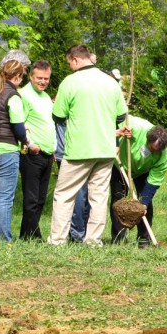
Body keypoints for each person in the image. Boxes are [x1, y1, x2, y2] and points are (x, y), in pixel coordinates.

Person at [49, 44, 127, 246]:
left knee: (64, 194)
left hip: (79, 150)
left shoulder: (70, 82)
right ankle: (93, 240)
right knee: (99, 196)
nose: (69, 67)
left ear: (75, 59)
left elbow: (57, 115)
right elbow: (121, 115)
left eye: (69, 63)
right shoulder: (111, 83)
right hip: (105, 148)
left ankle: (57, 239)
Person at [111, 118, 167, 247]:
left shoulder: (164, 155)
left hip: (143, 170)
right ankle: (118, 238)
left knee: (145, 204)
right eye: (151, 148)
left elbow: (154, 181)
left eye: (157, 151)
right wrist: (122, 134)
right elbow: (116, 121)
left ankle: (144, 238)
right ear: (148, 139)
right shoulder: (136, 127)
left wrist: (143, 204)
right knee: (118, 200)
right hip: (120, 164)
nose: (154, 151)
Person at [18, 60, 56, 240]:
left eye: (46, 78)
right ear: (31, 76)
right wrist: (30, 144)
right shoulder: (23, 94)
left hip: (48, 153)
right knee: (31, 198)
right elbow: (19, 122)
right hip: (32, 153)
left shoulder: (46, 97)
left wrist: (54, 147)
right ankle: (34, 235)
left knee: (41, 198)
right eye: (39, 78)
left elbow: (49, 123)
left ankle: (27, 235)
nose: (43, 81)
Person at [0, 61, 29, 242]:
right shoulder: (12, 96)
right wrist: (25, 140)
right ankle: (2, 239)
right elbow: (18, 127)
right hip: (6, 150)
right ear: (17, 76)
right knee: (4, 198)